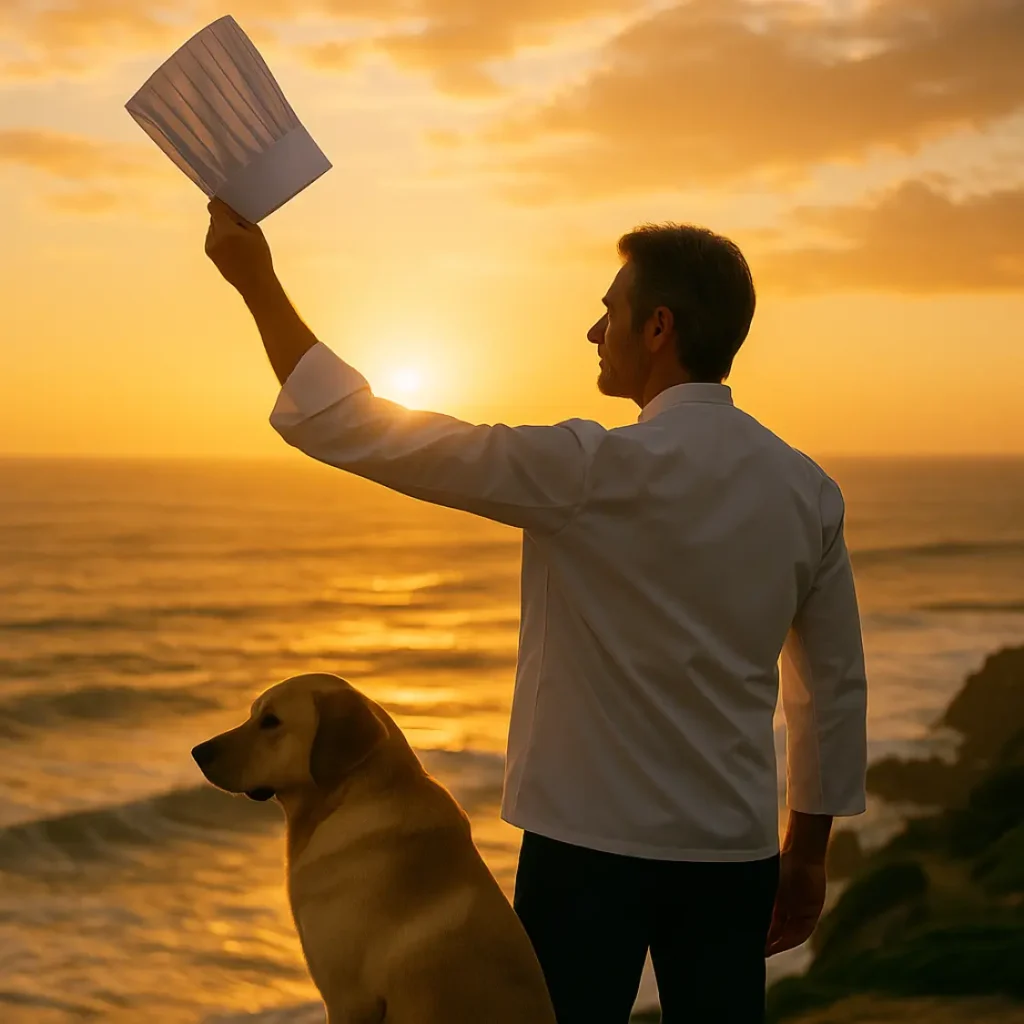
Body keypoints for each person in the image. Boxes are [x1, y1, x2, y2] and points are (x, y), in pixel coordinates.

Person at [204, 196, 868, 1024]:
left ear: (657, 328)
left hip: (586, 855)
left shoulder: (587, 469)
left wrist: (255, 282)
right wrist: (807, 855)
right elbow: (831, 687)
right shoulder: (806, 488)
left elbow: (362, 431)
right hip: (732, 854)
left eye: (608, 313)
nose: (595, 333)